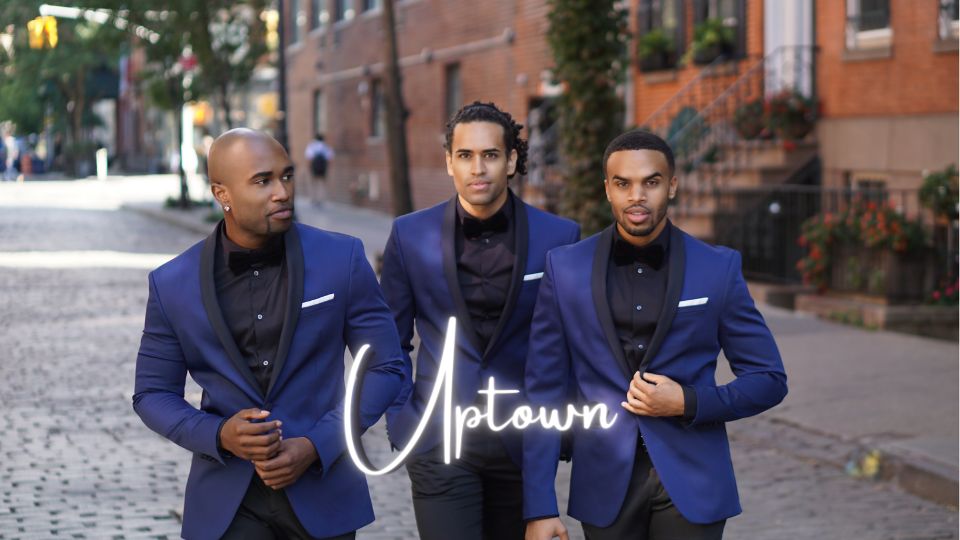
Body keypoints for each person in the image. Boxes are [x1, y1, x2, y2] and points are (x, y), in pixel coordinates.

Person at [132, 128, 407, 540]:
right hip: (227, 503)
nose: (282, 192)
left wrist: (317, 445)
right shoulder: (172, 283)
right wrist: (220, 434)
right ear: (221, 194)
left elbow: (386, 367)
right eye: (262, 181)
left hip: (323, 492)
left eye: (287, 176)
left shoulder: (342, 259)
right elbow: (152, 394)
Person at [523, 130, 788, 540]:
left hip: (693, 481)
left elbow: (769, 379)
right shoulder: (565, 268)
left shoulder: (717, 268)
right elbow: (543, 390)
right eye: (623, 183)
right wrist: (539, 506)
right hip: (604, 483)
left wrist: (689, 401)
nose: (637, 196)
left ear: (673, 185)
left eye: (651, 182)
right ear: (607, 189)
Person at [379, 101, 580, 540]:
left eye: (490, 155)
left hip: (523, 443)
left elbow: (570, 346)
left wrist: (559, 430)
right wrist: (403, 418)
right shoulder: (410, 236)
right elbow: (388, 342)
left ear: (511, 161)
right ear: (449, 161)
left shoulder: (560, 238)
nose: (478, 168)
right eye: (465, 156)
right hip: (439, 442)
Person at [304, 133, 335, 206]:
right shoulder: (326, 146)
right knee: (322, 183)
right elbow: (329, 158)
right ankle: (321, 199)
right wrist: (328, 167)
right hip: (323, 167)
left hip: (314, 167)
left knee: (313, 183)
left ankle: (314, 198)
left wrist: (309, 167)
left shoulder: (312, 146)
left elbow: (309, 157)